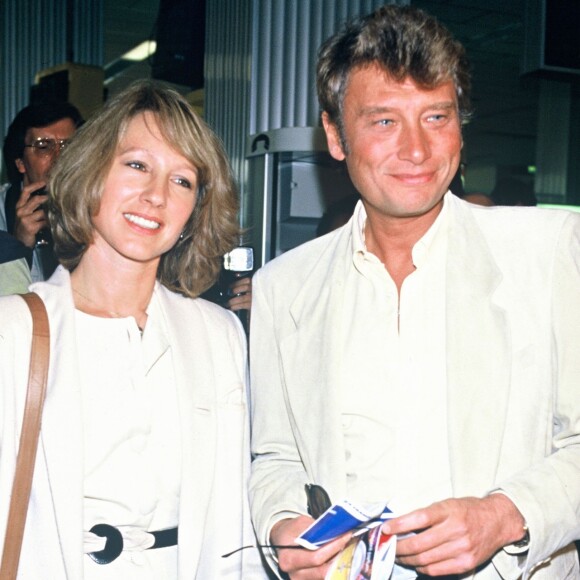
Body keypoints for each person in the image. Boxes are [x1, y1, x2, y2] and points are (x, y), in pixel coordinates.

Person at [249, 5, 580, 580]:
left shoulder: (546, 252)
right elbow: (275, 458)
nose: (418, 150)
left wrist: (507, 514)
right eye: (383, 122)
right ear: (335, 134)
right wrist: (282, 524)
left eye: (436, 116)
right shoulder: (284, 286)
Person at [0, 81, 266, 578]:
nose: (156, 196)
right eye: (137, 165)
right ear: (92, 174)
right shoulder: (13, 331)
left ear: (193, 213)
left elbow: (235, 532)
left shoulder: (218, 334)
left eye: (182, 180)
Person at [1, 100, 83, 282]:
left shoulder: (96, 207)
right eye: (44, 147)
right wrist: (17, 247)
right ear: (20, 163)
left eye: (68, 146)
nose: (59, 158)